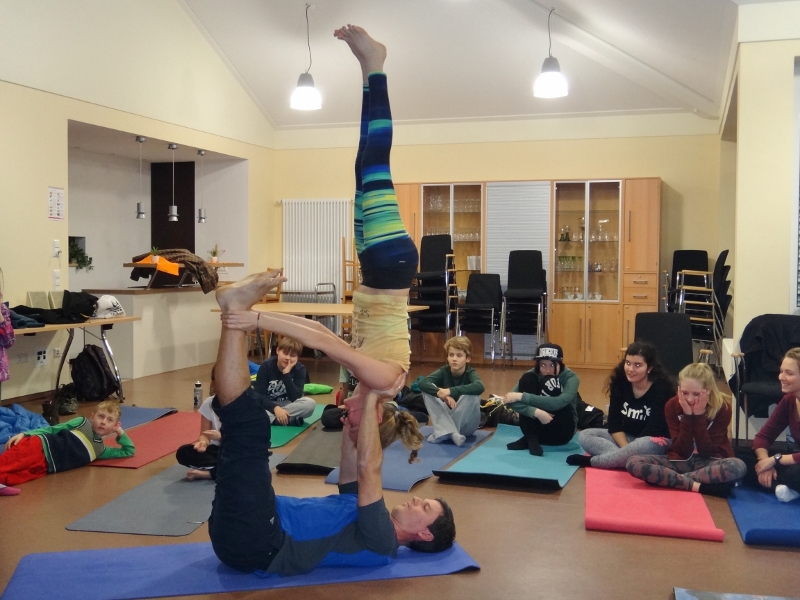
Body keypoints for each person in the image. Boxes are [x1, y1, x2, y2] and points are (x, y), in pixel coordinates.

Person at [211, 201, 455, 577]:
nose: (415, 501)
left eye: (423, 509)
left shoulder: (383, 542)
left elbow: (370, 467)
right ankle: (234, 313)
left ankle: (234, 314)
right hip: (250, 523)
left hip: (258, 539)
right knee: (245, 425)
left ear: (422, 534)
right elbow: (354, 461)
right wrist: (357, 415)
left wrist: (372, 399)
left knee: (248, 427)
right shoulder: (361, 507)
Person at [222, 24, 422, 457]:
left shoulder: (367, 385)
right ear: (375, 417)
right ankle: (376, 64)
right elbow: (324, 341)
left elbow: (317, 332)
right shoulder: (384, 381)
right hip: (390, 265)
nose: (346, 416)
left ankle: (368, 69)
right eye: (354, 420)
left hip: (376, 268)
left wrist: (257, 316)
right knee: (376, 160)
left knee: (361, 161)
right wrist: (254, 320)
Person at [626, 362, 747, 497]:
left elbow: (707, 451)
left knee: (738, 466)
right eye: (684, 393)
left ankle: (671, 479)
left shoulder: (722, 408)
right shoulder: (672, 405)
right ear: (679, 389)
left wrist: (699, 415)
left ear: (708, 390)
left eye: (696, 394)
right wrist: (688, 415)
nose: (689, 399)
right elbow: (681, 450)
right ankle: (699, 486)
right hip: (681, 461)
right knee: (633, 462)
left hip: (710, 462)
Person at [567, 342, 675, 469]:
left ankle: (594, 461)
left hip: (651, 442)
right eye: (628, 363)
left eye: (637, 365)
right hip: (626, 439)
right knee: (585, 435)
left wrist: (631, 449)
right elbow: (614, 424)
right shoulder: (620, 382)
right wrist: (626, 450)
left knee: (645, 443)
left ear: (649, 368)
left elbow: (654, 430)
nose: (630, 369)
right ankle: (629, 462)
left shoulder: (662, 389)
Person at [0, 400, 134, 496]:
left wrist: (119, 431)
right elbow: (53, 429)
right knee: (8, 464)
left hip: (46, 466)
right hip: (39, 446)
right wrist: (26, 433)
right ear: (92, 417)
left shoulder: (100, 450)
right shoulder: (82, 422)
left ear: (115, 425)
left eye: (110, 420)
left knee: (17, 476)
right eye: (101, 416)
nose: (103, 422)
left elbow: (128, 450)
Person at [740, 348, 800, 502]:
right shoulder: (789, 400)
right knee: (740, 460)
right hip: (794, 460)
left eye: (789, 373)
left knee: (795, 474)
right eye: (781, 371)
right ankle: (782, 488)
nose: (781, 377)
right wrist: (764, 461)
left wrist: (775, 460)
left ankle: (783, 486)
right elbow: (763, 437)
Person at [499, 343, 579, 456]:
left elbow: (559, 402)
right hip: (538, 427)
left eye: (552, 365)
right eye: (543, 365)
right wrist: (536, 412)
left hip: (562, 431)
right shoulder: (533, 373)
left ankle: (529, 438)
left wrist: (522, 396)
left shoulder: (571, 377)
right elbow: (509, 400)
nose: (547, 370)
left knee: (553, 391)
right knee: (527, 379)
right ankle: (531, 438)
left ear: (560, 364)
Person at [418, 336, 484, 446]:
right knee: (427, 391)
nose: (454, 359)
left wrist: (450, 391)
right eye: (451, 355)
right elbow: (422, 383)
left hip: (467, 426)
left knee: (472, 394)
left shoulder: (470, 373)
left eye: (459, 355)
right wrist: (440, 393)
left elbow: (480, 386)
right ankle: (452, 434)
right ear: (447, 357)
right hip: (449, 418)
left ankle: (445, 432)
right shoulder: (444, 371)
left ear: (468, 359)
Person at [252, 337, 316, 427]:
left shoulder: (300, 369)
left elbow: (296, 397)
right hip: (268, 405)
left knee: (310, 404)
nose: (288, 358)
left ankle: (276, 419)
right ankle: (286, 420)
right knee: (250, 407)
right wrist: (275, 408)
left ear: (297, 357)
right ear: (278, 350)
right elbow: (259, 394)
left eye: (292, 356)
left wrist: (286, 375)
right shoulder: (266, 365)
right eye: (285, 353)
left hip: (288, 404)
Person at [176, 366, 222, 481]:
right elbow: (204, 434)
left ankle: (210, 473)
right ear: (213, 383)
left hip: (236, 449)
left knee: (245, 460)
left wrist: (221, 438)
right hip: (217, 451)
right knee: (183, 452)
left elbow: (243, 441)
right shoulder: (209, 403)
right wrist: (203, 443)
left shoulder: (240, 404)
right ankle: (220, 469)